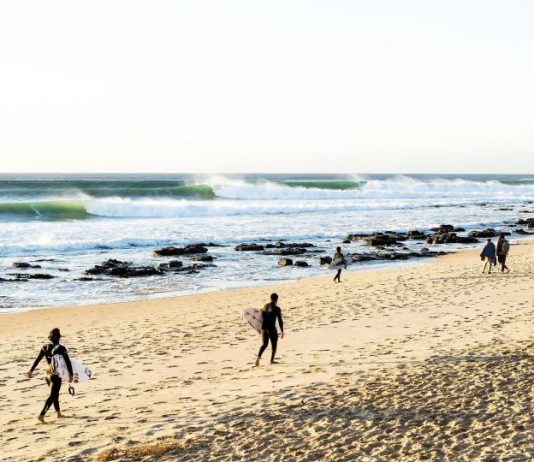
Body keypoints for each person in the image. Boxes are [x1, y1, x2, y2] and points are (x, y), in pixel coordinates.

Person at [26, 328, 74, 424]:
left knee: (55, 394)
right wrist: (71, 374)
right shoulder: (61, 348)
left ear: (50, 338)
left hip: (47, 374)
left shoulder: (45, 347)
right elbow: (68, 362)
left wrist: (31, 370)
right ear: (59, 337)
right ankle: (41, 415)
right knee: (53, 395)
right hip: (55, 374)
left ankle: (58, 413)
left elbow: (38, 359)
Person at [255, 293, 284, 367]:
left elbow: (261, 316)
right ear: (276, 300)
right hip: (271, 328)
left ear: (270, 299)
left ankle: (258, 357)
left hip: (264, 328)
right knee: (274, 344)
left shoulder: (265, 306)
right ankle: (272, 360)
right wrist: (282, 331)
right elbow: (280, 320)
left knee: (264, 344)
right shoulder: (277, 308)